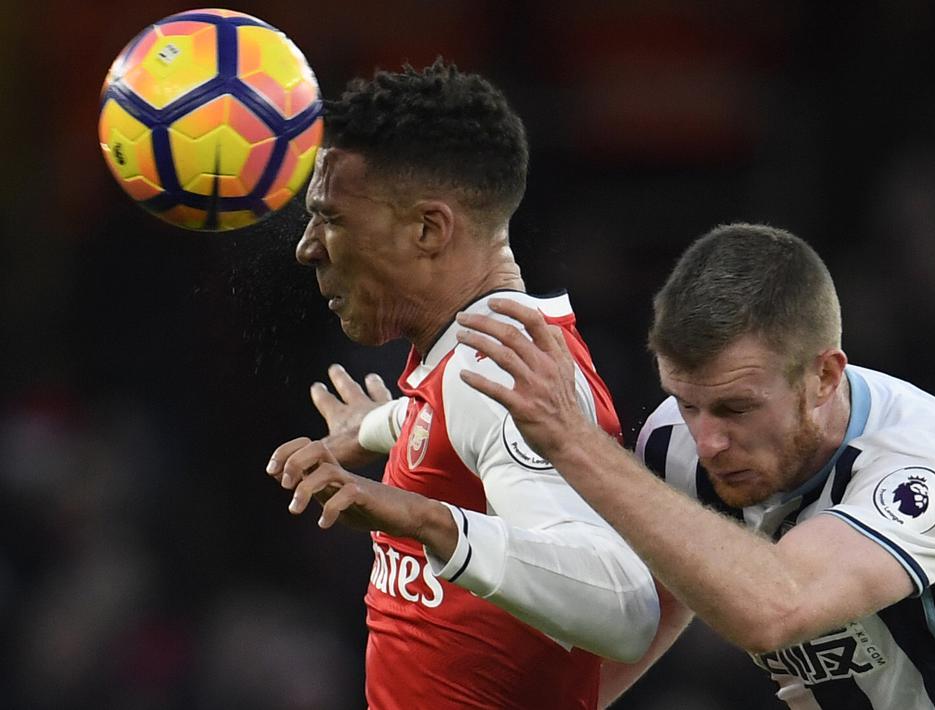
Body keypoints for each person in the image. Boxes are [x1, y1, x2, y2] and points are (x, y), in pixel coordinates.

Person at [455, 223, 935, 709]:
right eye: (686, 403)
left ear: (823, 376)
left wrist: (573, 440)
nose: (707, 442)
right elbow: (657, 604)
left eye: (735, 408)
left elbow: (777, 606)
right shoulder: (676, 445)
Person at [263, 60, 659, 710]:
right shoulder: (473, 356)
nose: (308, 247)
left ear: (428, 229)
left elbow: (624, 608)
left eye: (329, 217)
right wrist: (375, 426)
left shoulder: (495, 372)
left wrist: (415, 516)